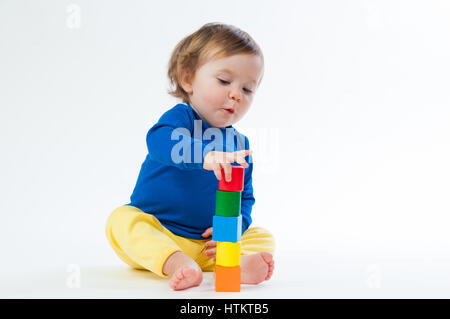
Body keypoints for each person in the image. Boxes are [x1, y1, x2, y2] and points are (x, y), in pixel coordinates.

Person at [105, 22, 275, 291]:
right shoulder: (180, 119)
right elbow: (159, 141)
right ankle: (177, 263)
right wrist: (205, 155)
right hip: (162, 233)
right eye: (224, 81)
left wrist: (233, 231)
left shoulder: (240, 144)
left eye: (247, 89)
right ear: (188, 79)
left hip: (210, 246)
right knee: (122, 221)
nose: (235, 94)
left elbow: (245, 198)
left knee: (262, 236)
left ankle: (232, 264)